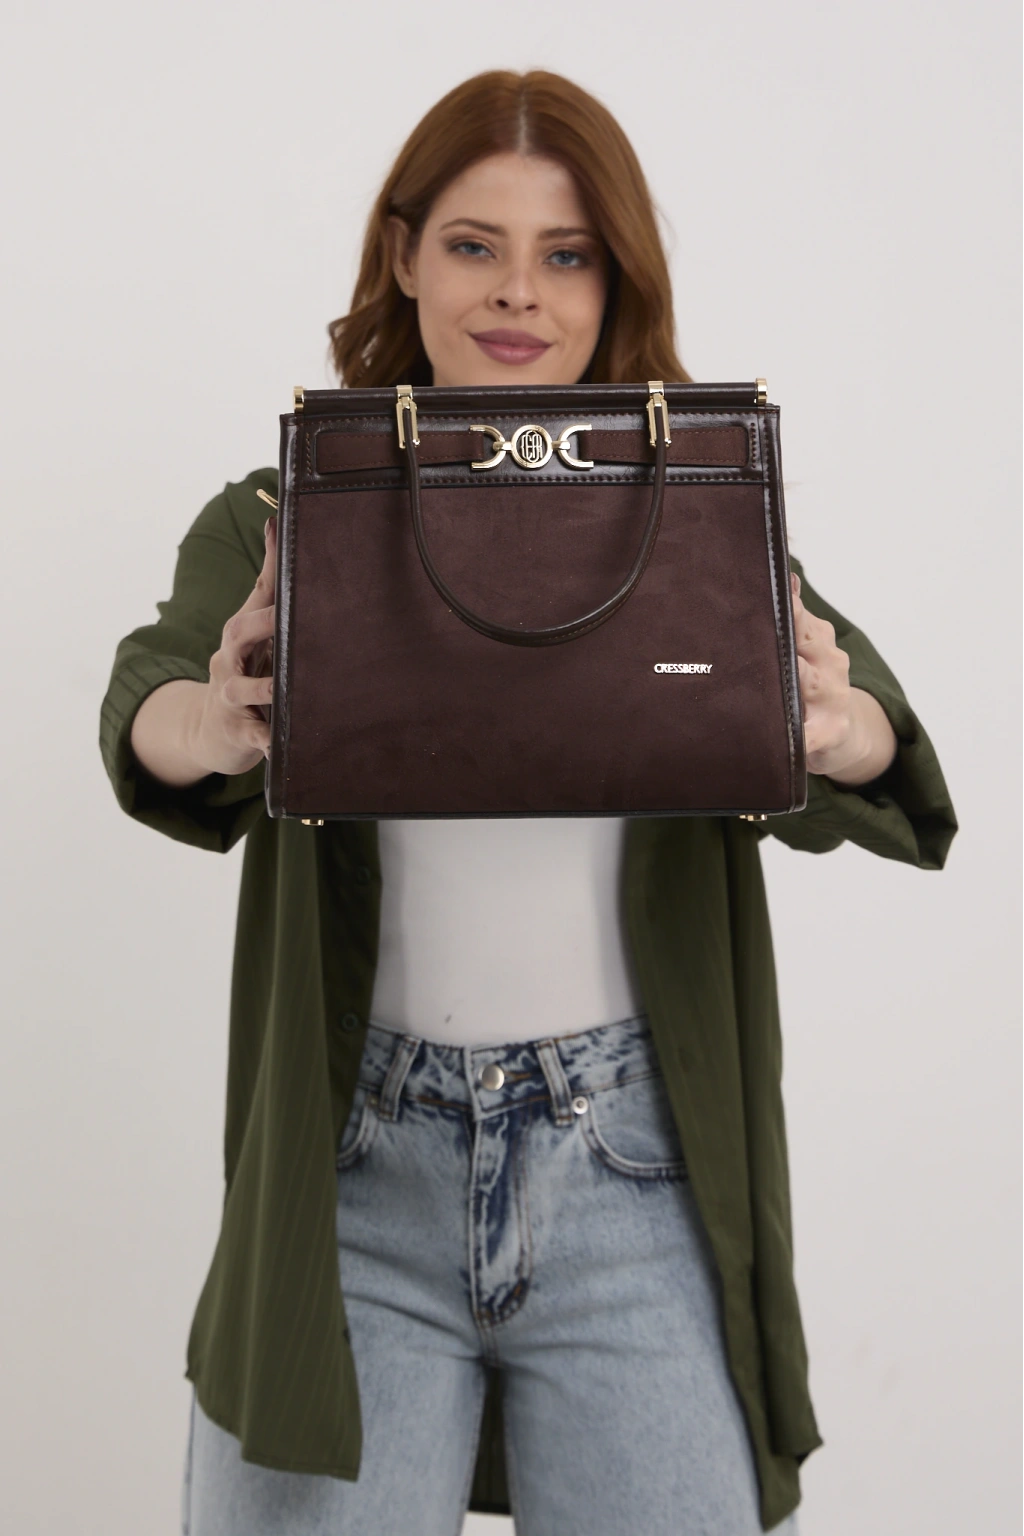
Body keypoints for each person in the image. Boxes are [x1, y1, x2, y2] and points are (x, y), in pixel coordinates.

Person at [99, 70, 957, 1536]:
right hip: (353, 1185)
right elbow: (154, 703)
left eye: (567, 254)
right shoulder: (289, 509)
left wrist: (841, 726)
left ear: (616, 281)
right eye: (474, 245)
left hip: (635, 1175)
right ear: (402, 256)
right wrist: (216, 718)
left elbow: (871, 738)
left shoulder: (692, 503)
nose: (520, 292)